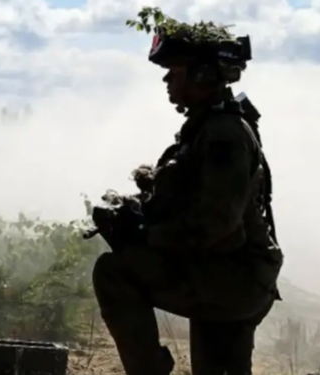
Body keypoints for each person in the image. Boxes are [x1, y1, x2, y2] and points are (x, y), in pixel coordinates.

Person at [91, 20, 283, 375]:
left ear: (203, 76)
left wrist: (147, 234)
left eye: (175, 71)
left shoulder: (223, 134)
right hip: (231, 276)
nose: (167, 80)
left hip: (234, 280)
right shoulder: (209, 127)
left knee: (113, 272)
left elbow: (218, 225)